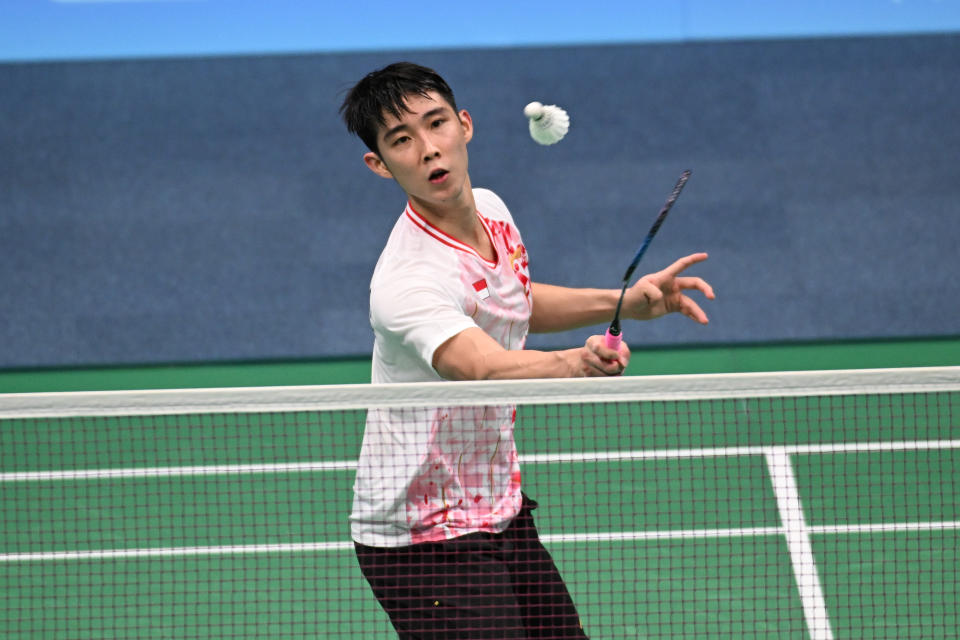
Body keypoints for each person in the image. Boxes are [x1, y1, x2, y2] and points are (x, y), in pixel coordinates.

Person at [340, 61, 714, 639]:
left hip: (496, 506)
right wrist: (575, 363)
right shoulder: (406, 281)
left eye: (436, 124)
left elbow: (509, 302)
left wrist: (625, 301)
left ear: (465, 125)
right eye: (402, 140)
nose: (428, 150)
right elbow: (477, 365)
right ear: (379, 165)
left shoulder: (490, 210)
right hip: (422, 535)